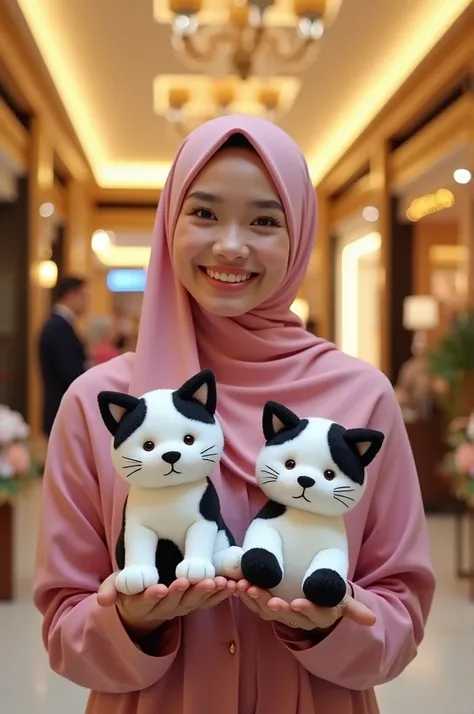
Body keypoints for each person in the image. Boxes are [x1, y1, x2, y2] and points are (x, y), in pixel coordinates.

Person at [33, 116, 435, 714]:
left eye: (266, 221)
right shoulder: (101, 404)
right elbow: (64, 625)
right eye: (204, 213)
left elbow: (402, 607)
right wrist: (130, 623)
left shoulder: (362, 398)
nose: (230, 244)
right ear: (170, 223)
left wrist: (332, 625)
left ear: (299, 236)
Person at [37, 275, 88, 437]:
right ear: (71, 295)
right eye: (84, 296)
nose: (87, 301)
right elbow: (71, 372)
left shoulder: (59, 324)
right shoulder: (59, 327)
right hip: (61, 408)